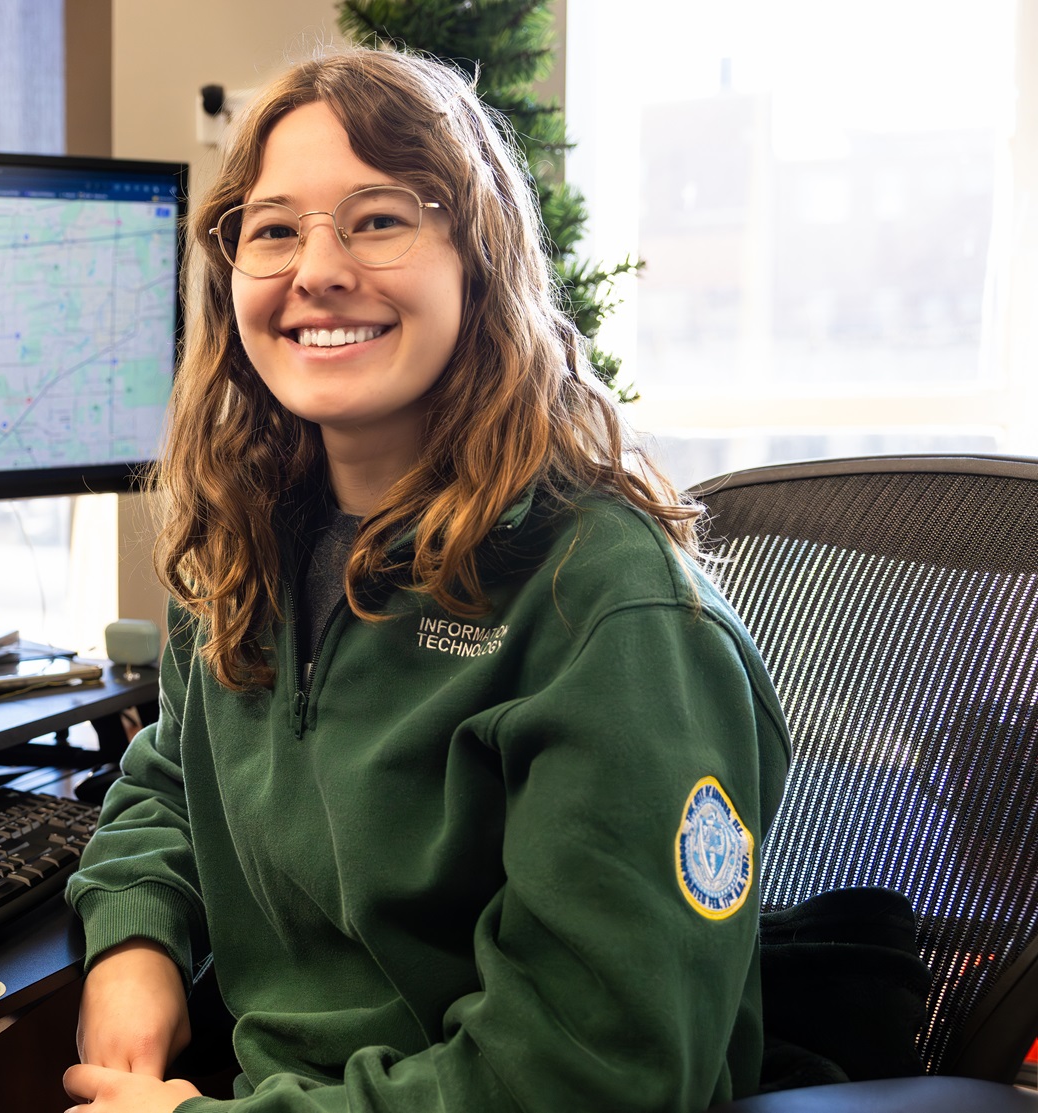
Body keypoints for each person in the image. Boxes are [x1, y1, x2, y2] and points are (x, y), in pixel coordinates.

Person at [61, 47, 791, 1113]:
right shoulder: (255, 544)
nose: (316, 271)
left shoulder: (609, 613)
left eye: (379, 218)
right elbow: (176, 780)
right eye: (273, 230)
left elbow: (594, 1076)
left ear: (477, 262)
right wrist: (133, 940)